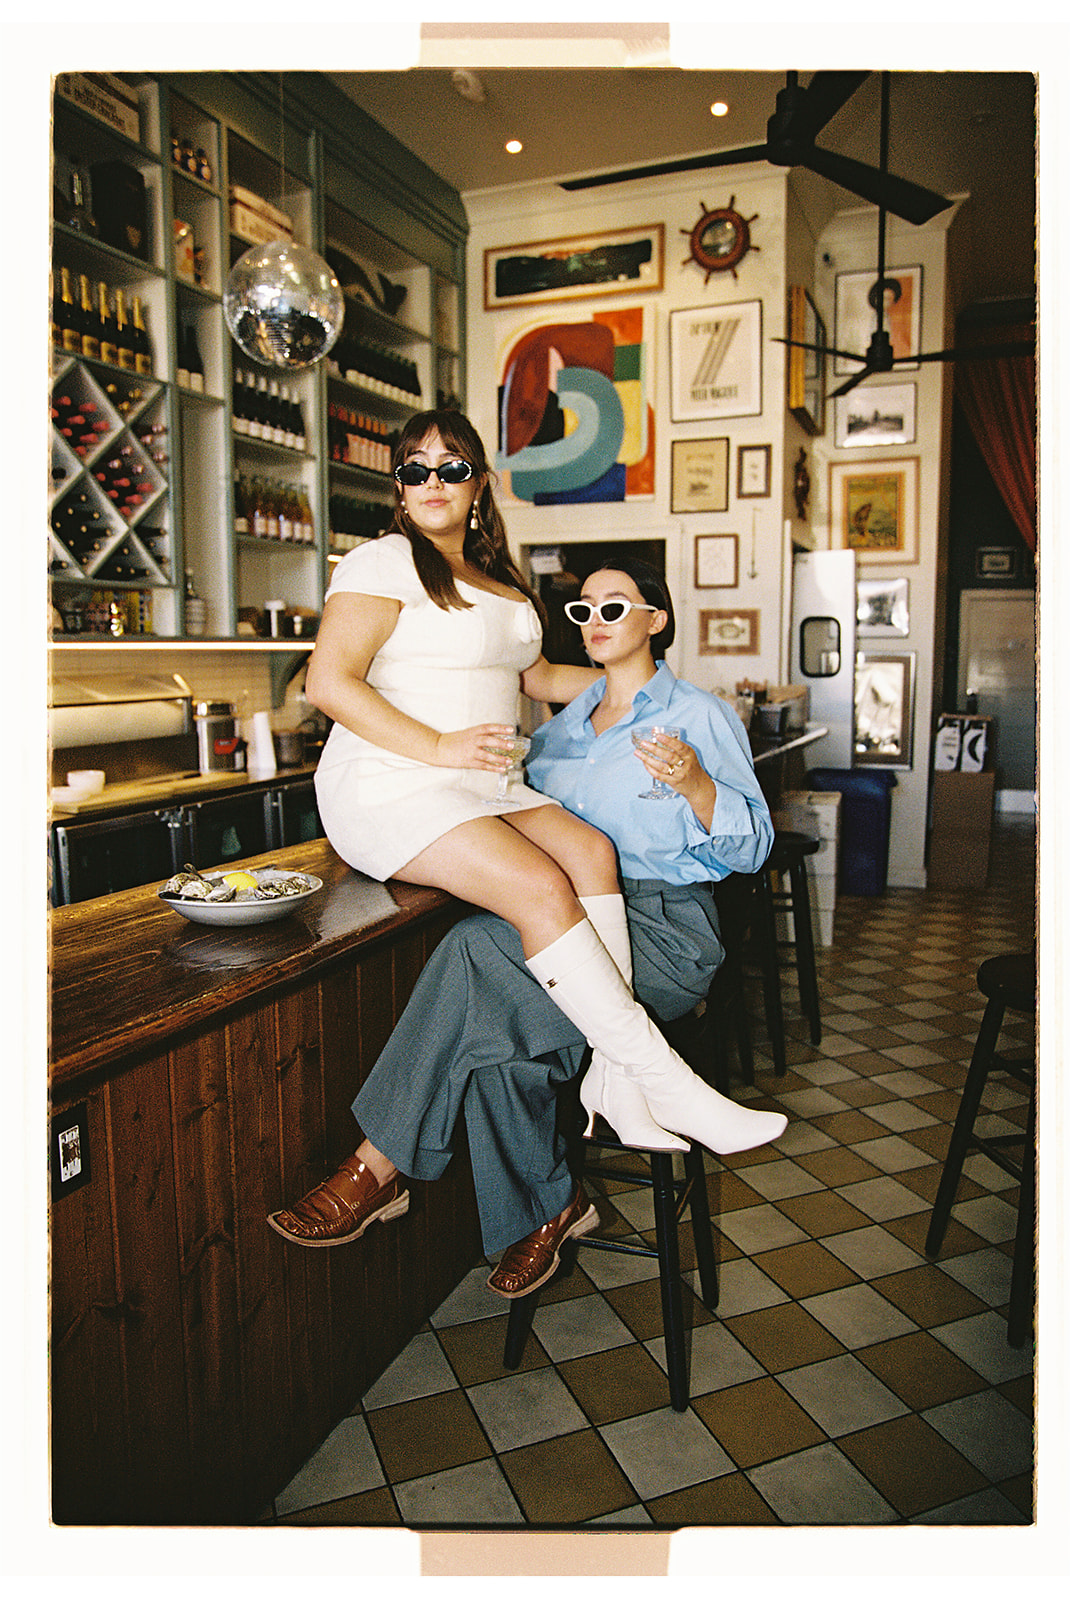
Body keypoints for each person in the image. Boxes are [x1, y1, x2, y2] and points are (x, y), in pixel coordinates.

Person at [269, 512, 785, 1290]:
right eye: (584, 610)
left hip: (670, 930)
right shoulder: (562, 728)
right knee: (502, 1041)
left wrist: (698, 785)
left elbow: (753, 850)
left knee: (475, 952)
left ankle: (377, 1168)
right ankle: (552, 1199)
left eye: (615, 607)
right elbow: (508, 762)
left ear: (657, 619)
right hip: (580, 922)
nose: (596, 620)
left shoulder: (698, 715)